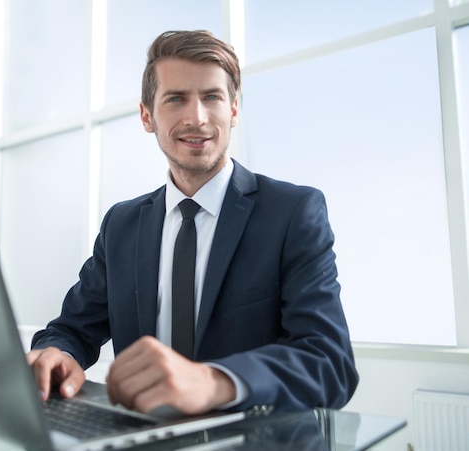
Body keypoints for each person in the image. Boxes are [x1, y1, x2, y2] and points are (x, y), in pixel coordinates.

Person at [27, 30, 358, 415]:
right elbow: (72, 329)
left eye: (212, 97)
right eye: (176, 98)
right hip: (143, 437)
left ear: (233, 109)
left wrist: (213, 380)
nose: (196, 118)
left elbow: (330, 364)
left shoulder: (293, 212)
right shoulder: (121, 224)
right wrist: (57, 353)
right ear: (147, 116)